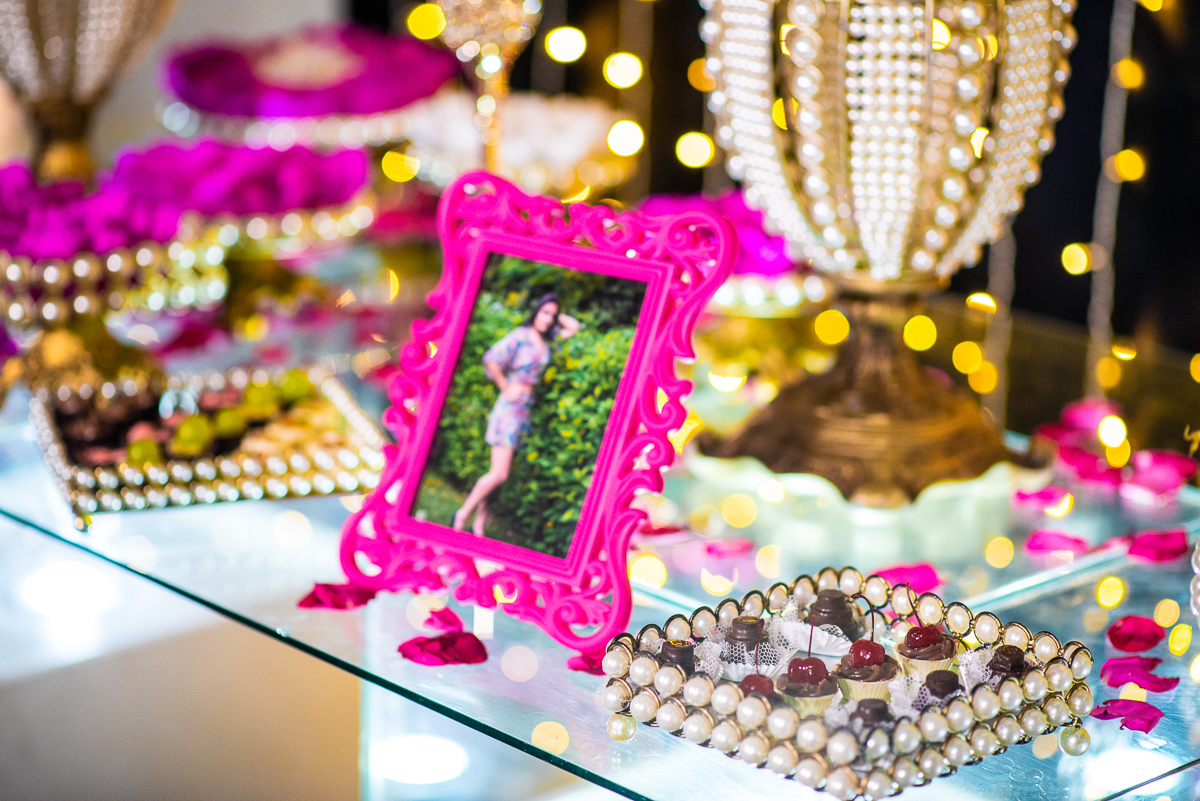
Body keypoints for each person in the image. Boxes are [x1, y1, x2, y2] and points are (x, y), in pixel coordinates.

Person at [453, 293, 580, 535]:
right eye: (544, 312)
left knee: (499, 474)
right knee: (499, 473)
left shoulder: (548, 340)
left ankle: (479, 524)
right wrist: (504, 386)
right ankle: (461, 514)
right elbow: (491, 359)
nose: (548, 319)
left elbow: (573, 327)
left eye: (552, 316)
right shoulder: (521, 336)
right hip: (509, 409)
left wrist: (555, 314)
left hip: (524, 410)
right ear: (536, 311)